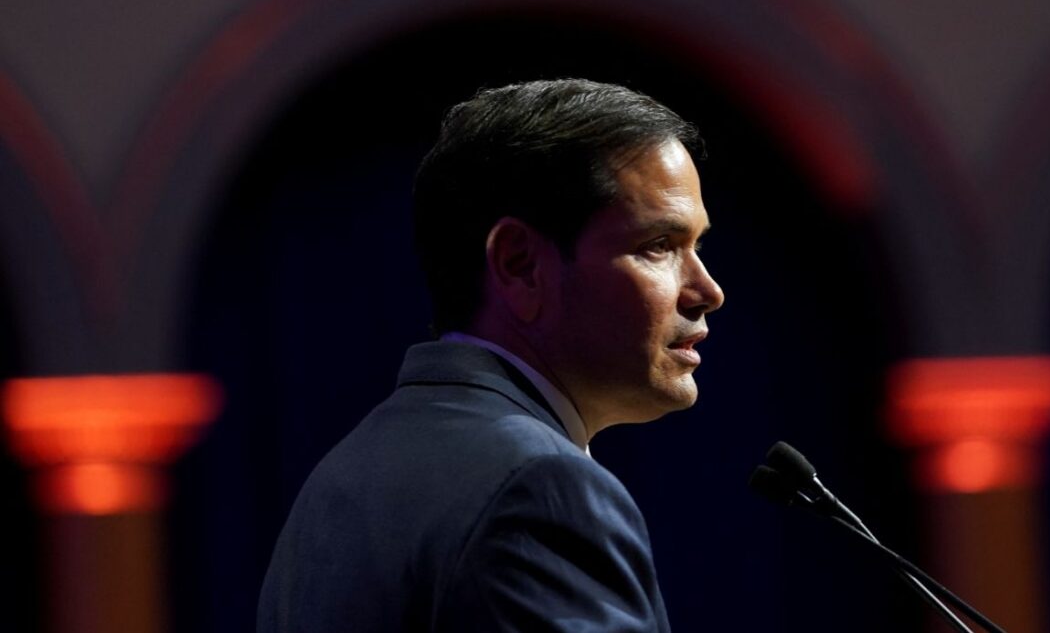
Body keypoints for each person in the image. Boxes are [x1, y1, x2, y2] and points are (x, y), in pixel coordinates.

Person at [257, 78, 724, 632]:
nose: (708, 291)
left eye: (697, 246)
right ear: (519, 264)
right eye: (659, 246)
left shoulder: (342, 477)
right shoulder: (541, 488)